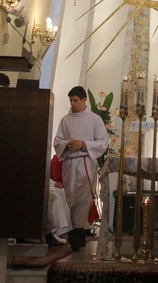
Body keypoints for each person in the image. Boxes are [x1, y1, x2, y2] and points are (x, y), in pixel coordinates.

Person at [53, 86, 109, 251]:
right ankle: (78, 231)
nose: (73, 103)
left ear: (84, 100)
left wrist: (83, 144)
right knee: (72, 199)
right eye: (71, 100)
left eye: (76, 100)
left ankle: (77, 233)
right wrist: (67, 145)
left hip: (85, 161)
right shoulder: (65, 120)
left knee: (83, 198)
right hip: (69, 163)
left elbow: (103, 142)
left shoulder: (94, 119)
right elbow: (57, 141)